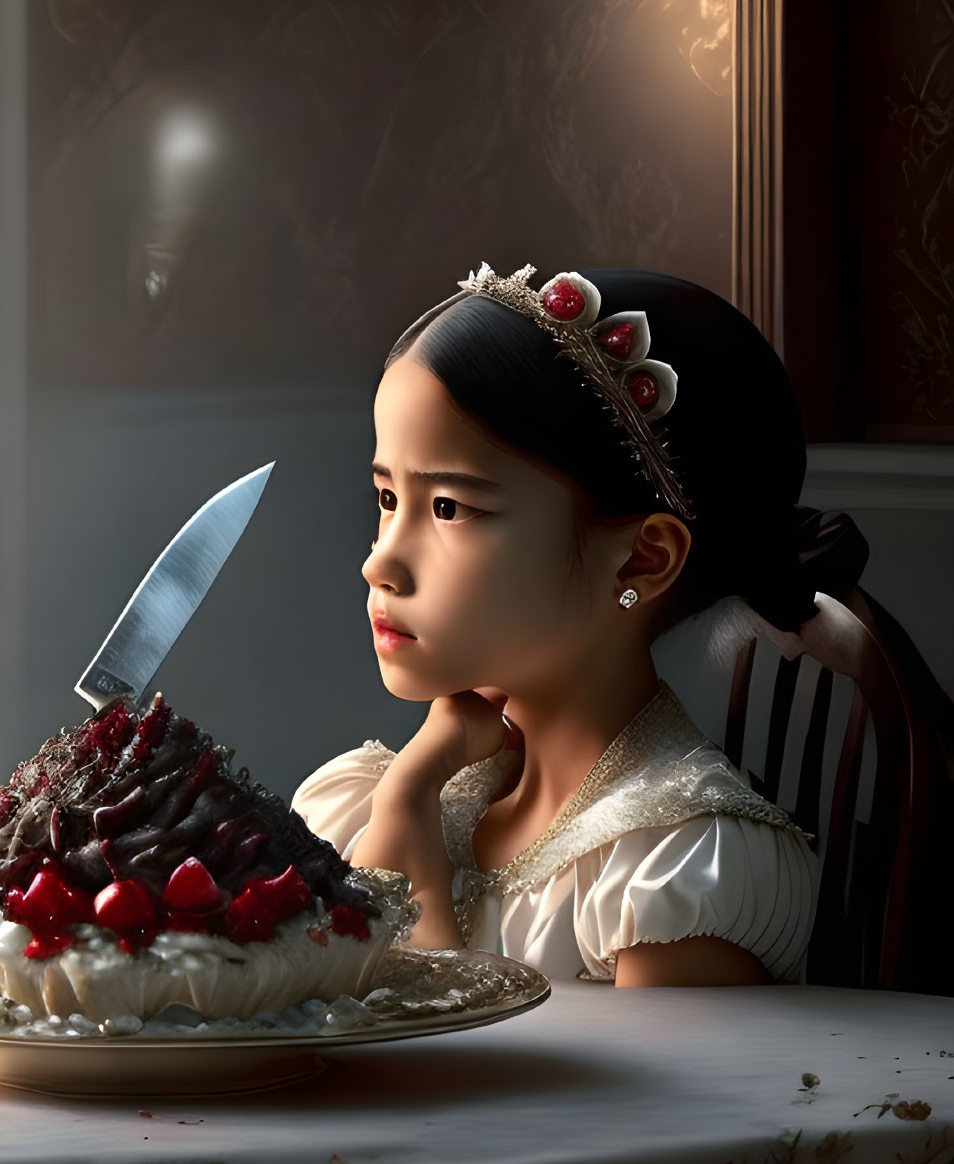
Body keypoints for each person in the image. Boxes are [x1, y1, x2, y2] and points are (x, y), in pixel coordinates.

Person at [291, 263, 869, 988]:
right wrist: (409, 786)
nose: (381, 563)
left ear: (641, 559)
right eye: (385, 496)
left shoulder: (676, 870)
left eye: (448, 508)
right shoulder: (386, 796)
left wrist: (411, 827)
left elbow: (442, 1090)